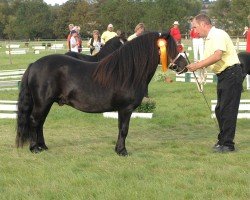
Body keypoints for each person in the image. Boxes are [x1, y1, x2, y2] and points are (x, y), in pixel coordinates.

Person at [187, 14, 243, 153]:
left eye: (195, 27)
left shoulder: (218, 34)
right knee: (220, 110)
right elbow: (209, 60)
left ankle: (228, 145)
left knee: (227, 110)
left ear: (203, 24)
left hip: (231, 74)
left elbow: (217, 55)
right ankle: (222, 140)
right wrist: (196, 65)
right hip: (224, 76)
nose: (194, 31)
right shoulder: (209, 38)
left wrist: (199, 65)